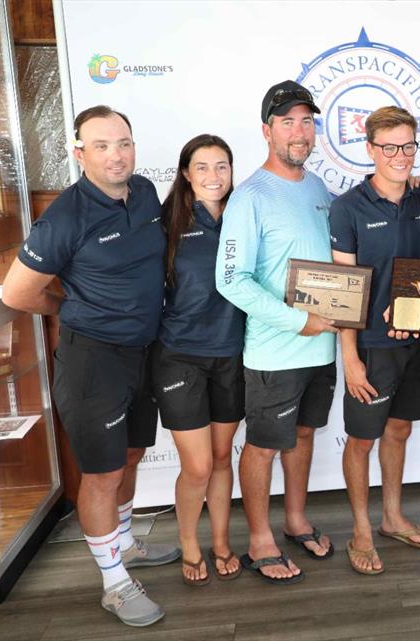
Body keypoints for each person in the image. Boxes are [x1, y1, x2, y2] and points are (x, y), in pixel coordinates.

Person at [1, 105, 179, 626]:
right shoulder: (64, 217)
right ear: (80, 153)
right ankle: (115, 583)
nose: (116, 154)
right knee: (100, 475)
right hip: (91, 361)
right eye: (101, 146)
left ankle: (124, 543)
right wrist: (67, 309)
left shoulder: (144, 192)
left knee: (131, 454)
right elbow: (17, 293)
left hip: (143, 353)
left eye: (122, 142)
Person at [216, 80, 336, 585]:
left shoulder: (317, 188)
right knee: (264, 447)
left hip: (322, 347)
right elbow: (230, 280)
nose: (299, 131)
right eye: (287, 121)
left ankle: (294, 519)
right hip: (274, 353)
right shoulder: (249, 197)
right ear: (267, 130)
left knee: (303, 435)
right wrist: (296, 321)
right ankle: (260, 538)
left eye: (307, 121)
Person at [329, 106, 420, 575]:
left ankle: (391, 517)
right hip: (371, 345)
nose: (400, 156)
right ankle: (361, 530)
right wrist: (349, 356)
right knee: (361, 439)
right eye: (389, 147)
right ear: (370, 149)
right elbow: (344, 288)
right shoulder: (347, 207)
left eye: (408, 146)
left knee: (399, 429)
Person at [152, 135, 245, 585]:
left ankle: (223, 541)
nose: (214, 176)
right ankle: (190, 544)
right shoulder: (165, 223)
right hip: (180, 357)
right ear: (186, 173)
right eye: (203, 167)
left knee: (223, 457)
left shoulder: (244, 216)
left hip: (232, 353)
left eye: (222, 166)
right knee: (199, 466)